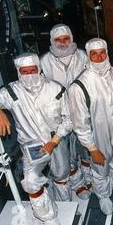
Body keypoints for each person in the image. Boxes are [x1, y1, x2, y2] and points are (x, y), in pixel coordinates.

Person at [0, 53, 73, 225]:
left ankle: (64, 201)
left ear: (39, 69)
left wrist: (54, 141)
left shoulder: (56, 89)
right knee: (31, 181)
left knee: (61, 175)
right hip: (32, 145)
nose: (29, 75)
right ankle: (48, 217)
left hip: (56, 140)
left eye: (32, 70)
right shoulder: (12, 92)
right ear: (18, 72)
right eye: (24, 72)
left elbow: (68, 119)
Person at [67, 38, 113, 215]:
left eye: (102, 52)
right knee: (100, 169)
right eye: (94, 54)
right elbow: (80, 123)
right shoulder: (79, 86)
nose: (99, 57)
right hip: (97, 136)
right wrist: (92, 148)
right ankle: (103, 196)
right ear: (88, 56)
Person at [40, 24, 91, 199]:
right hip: (58, 116)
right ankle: (76, 183)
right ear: (52, 41)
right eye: (58, 40)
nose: (62, 43)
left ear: (71, 38)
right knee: (64, 154)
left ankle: (88, 180)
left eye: (66, 39)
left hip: (82, 112)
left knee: (84, 148)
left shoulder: (83, 56)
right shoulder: (44, 61)